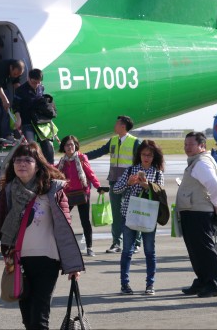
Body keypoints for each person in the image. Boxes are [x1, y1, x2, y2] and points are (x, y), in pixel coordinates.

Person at [0, 142, 84, 329]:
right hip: (18, 261)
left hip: (47, 261)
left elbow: (65, 229)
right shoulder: (8, 192)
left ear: (38, 164)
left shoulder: (52, 191)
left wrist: (73, 264)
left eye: (27, 160)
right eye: (17, 160)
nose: (21, 164)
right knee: (27, 317)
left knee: (39, 317)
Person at [113, 140, 164, 296]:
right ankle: (125, 284)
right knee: (127, 251)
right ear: (139, 155)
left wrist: (148, 186)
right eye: (143, 154)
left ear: (154, 156)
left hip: (149, 215)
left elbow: (161, 193)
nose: (146, 158)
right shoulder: (131, 170)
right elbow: (116, 189)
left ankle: (150, 284)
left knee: (149, 251)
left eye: (149, 155)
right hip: (130, 215)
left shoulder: (157, 172)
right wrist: (128, 183)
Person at [177, 132, 217, 298]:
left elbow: (213, 184)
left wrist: (216, 204)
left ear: (202, 146)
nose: (187, 147)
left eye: (191, 144)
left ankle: (214, 284)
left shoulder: (201, 163)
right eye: (185, 144)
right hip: (192, 211)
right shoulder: (196, 162)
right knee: (196, 250)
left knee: (204, 250)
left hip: (199, 213)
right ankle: (203, 281)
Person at [86, 115, 142, 254]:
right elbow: (99, 152)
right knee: (116, 214)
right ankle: (116, 243)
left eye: (117, 123)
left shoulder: (135, 142)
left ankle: (136, 243)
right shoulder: (113, 140)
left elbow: (142, 163)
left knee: (132, 213)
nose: (114, 126)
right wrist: (82, 156)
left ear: (123, 126)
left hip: (130, 183)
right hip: (115, 182)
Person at [57, 135, 103, 257]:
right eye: (67, 145)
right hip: (67, 194)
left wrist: (98, 186)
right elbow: (55, 171)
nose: (69, 147)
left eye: (71, 144)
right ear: (63, 147)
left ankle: (89, 247)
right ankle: (62, 246)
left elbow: (90, 173)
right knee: (63, 220)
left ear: (75, 145)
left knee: (85, 221)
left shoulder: (82, 158)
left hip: (82, 193)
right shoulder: (62, 161)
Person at [13, 68, 55, 164]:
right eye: (33, 82)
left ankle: (50, 166)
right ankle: (32, 166)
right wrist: (18, 118)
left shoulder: (41, 87)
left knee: (48, 145)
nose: (36, 85)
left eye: (38, 83)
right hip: (27, 121)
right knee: (30, 146)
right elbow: (15, 106)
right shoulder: (20, 90)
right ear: (28, 78)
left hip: (40, 121)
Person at [0, 59, 25, 147]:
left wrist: (21, 96)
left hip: (3, 88)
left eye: (18, 75)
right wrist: (5, 100)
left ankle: (7, 135)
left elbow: (16, 83)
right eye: (14, 74)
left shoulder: (17, 69)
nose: (15, 76)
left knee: (7, 112)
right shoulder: (1, 67)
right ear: (11, 68)